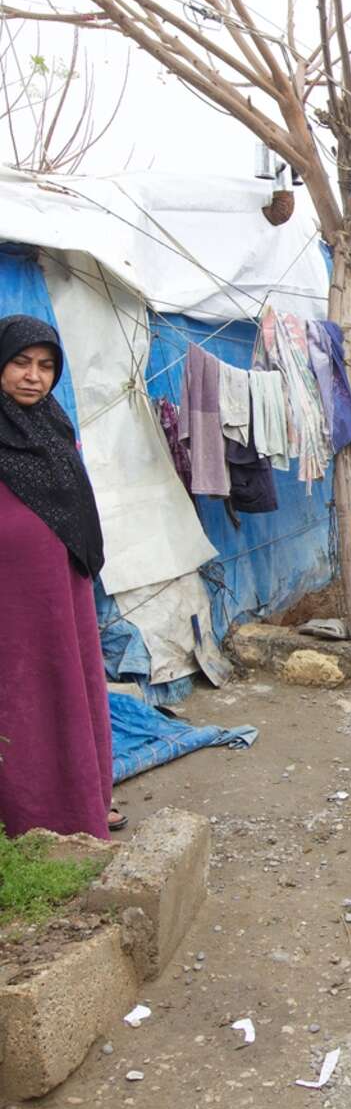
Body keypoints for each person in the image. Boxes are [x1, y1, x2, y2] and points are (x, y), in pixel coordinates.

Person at [0, 314, 122, 840]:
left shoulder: (55, 424)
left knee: (69, 683)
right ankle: (30, 815)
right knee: (21, 696)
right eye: (21, 363)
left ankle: (82, 803)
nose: (34, 376)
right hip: (11, 595)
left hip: (63, 588)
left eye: (46, 366)